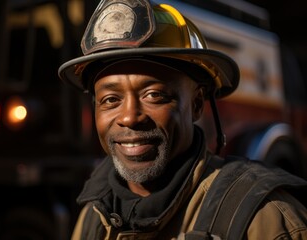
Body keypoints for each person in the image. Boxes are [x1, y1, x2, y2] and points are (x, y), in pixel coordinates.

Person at [58, 0, 307, 239]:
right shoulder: (93, 217)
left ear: (197, 104)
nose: (129, 117)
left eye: (154, 95)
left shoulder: (267, 220)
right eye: (111, 100)